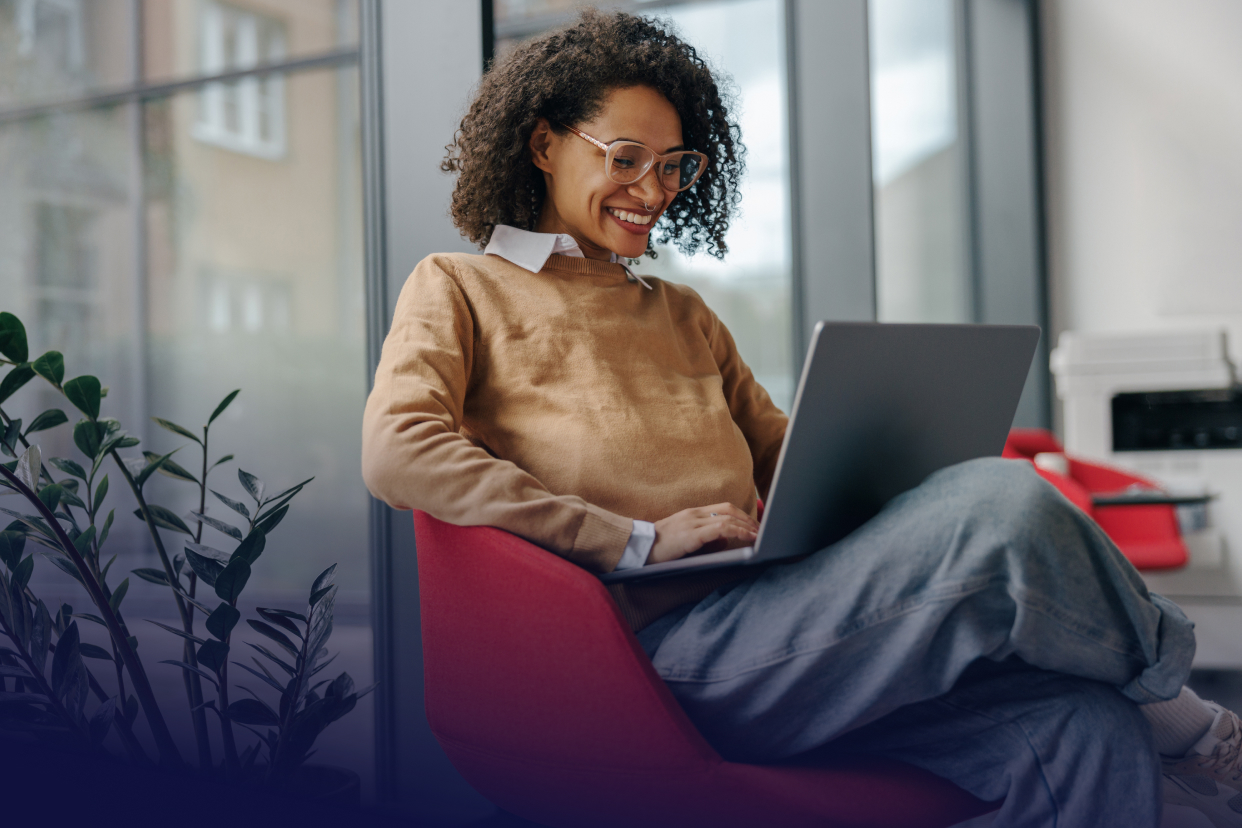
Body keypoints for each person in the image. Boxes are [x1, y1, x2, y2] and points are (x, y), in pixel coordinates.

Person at [361, 10, 1242, 827]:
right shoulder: (461, 287)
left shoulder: (683, 315)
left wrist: (911, 476)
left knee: (1085, 729)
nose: (652, 188)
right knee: (1006, 504)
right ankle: (1195, 723)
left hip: (788, 634)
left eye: (673, 166)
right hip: (650, 665)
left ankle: (1147, 713)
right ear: (545, 145)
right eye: (625, 157)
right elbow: (399, 451)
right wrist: (630, 539)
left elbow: (795, 460)